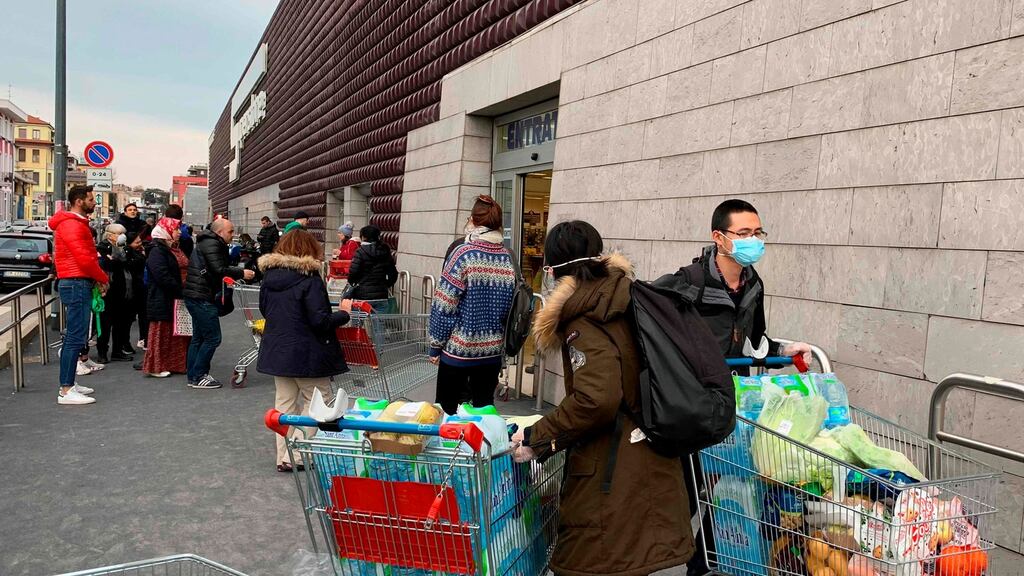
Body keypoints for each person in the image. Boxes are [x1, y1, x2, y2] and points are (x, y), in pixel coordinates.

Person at [510, 221, 694, 576]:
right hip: (651, 458)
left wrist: (539, 436)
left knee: (584, 565)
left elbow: (597, 399)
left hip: (613, 473)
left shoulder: (587, 317)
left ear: (555, 270)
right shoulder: (624, 296)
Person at [652, 199, 811, 576]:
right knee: (688, 490)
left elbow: (754, 341)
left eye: (758, 233)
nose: (753, 241)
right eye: (743, 234)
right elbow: (653, 326)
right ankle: (647, 558)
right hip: (691, 404)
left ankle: (700, 560)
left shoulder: (754, 284)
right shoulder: (687, 283)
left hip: (732, 401)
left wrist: (785, 351)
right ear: (719, 238)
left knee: (730, 482)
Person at [257, 230, 349, 472]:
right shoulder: (310, 279)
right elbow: (320, 321)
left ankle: (284, 455)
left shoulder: (269, 278)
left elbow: (266, 311)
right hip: (308, 352)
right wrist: (343, 314)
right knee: (318, 400)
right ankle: (297, 453)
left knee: (284, 404)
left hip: (278, 349)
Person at [427, 196, 515, 415]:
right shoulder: (507, 258)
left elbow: (444, 304)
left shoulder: (463, 254)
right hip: (492, 352)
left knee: (447, 412)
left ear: (473, 221)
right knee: (483, 412)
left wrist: (436, 345)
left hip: (459, 351)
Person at [48, 185, 109, 405]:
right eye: (91, 199)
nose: (95, 203)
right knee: (75, 338)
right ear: (79, 201)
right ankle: (65, 389)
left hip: (76, 281)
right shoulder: (73, 225)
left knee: (76, 337)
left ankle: (69, 384)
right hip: (76, 282)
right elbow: (85, 258)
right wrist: (102, 277)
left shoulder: (71, 224)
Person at [183, 218, 254, 389]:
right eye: (230, 231)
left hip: (197, 294)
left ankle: (193, 375)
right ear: (220, 232)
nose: (233, 234)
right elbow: (219, 269)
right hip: (202, 295)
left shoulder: (207, 242)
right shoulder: (212, 244)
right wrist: (241, 272)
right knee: (212, 338)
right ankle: (199, 375)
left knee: (199, 338)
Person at [142, 218, 191, 378]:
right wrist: (180, 289)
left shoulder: (173, 248)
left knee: (175, 332)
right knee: (161, 332)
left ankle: (174, 363)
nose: (179, 232)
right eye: (176, 230)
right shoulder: (157, 250)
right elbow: (162, 275)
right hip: (163, 297)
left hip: (175, 296)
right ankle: (156, 366)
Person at [95, 223, 134, 363]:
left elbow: (130, 263)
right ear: (110, 235)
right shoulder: (102, 247)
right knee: (105, 325)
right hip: (108, 291)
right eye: (118, 233)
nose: (122, 236)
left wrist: (117, 260)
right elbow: (105, 264)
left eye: (123, 233)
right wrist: (116, 260)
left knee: (120, 324)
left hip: (123, 290)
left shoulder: (125, 249)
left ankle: (117, 350)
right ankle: (102, 352)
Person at [346, 225, 398, 302]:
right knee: (380, 314)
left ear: (363, 237)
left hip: (362, 295)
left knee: (362, 314)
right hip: (381, 296)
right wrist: (384, 285)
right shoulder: (385, 251)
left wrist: (354, 283)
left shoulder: (360, 252)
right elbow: (393, 274)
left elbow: (353, 272)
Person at [124, 232, 148, 354]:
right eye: (137, 242)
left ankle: (143, 338)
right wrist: (142, 256)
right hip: (133, 288)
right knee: (129, 318)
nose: (139, 244)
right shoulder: (128, 253)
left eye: (140, 241)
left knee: (143, 315)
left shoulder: (138, 252)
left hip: (140, 287)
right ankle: (126, 343)